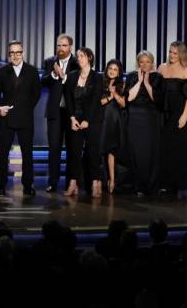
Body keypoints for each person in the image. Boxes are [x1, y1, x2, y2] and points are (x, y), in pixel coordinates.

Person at [0, 40, 41, 197]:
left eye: (18, 52)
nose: (15, 55)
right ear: (8, 54)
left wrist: (26, 108)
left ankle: (28, 185)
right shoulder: (2, 71)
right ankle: (1, 185)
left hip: (25, 119)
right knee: (2, 154)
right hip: (6, 119)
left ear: (23, 53)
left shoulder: (32, 71)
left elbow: (36, 94)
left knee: (27, 154)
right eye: (12, 53)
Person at [158, 41, 187, 199]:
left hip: (179, 113)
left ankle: (175, 185)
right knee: (163, 148)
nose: (172, 55)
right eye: (170, 52)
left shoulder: (186, 71)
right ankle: (163, 183)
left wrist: (184, 116)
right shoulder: (162, 68)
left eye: (175, 53)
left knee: (177, 149)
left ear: (181, 54)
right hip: (164, 113)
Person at [63, 48, 104, 197]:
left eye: (82, 56)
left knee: (93, 152)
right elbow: (68, 98)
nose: (78, 58)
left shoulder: (97, 77)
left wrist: (88, 120)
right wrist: (72, 118)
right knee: (74, 152)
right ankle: (73, 183)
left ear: (90, 57)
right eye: (78, 56)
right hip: (76, 119)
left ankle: (95, 183)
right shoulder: (72, 76)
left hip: (92, 120)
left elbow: (95, 101)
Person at [41, 34, 78, 193]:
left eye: (64, 45)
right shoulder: (50, 62)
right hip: (54, 111)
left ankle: (72, 182)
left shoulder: (78, 62)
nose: (60, 48)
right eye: (58, 45)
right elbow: (43, 81)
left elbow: (77, 84)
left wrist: (63, 76)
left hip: (72, 112)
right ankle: (53, 182)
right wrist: (54, 74)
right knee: (54, 148)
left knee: (72, 148)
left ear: (70, 47)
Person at [124, 51, 164, 196]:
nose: (145, 64)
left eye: (148, 62)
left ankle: (152, 185)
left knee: (151, 152)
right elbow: (128, 98)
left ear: (152, 63)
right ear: (138, 63)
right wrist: (140, 81)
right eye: (142, 62)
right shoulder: (131, 77)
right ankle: (138, 186)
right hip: (134, 117)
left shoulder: (158, 78)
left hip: (151, 118)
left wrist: (146, 83)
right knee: (136, 152)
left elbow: (157, 99)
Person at [99, 59, 127, 194]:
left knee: (111, 151)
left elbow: (123, 104)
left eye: (115, 69)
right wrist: (109, 96)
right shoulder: (100, 82)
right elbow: (97, 102)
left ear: (119, 72)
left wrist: (114, 94)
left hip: (114, 121)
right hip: (100, 119)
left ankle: (112, 180)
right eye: (110, 68)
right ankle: (98, 181)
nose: (112, 71)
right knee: (99, 150)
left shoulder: (122, 84)